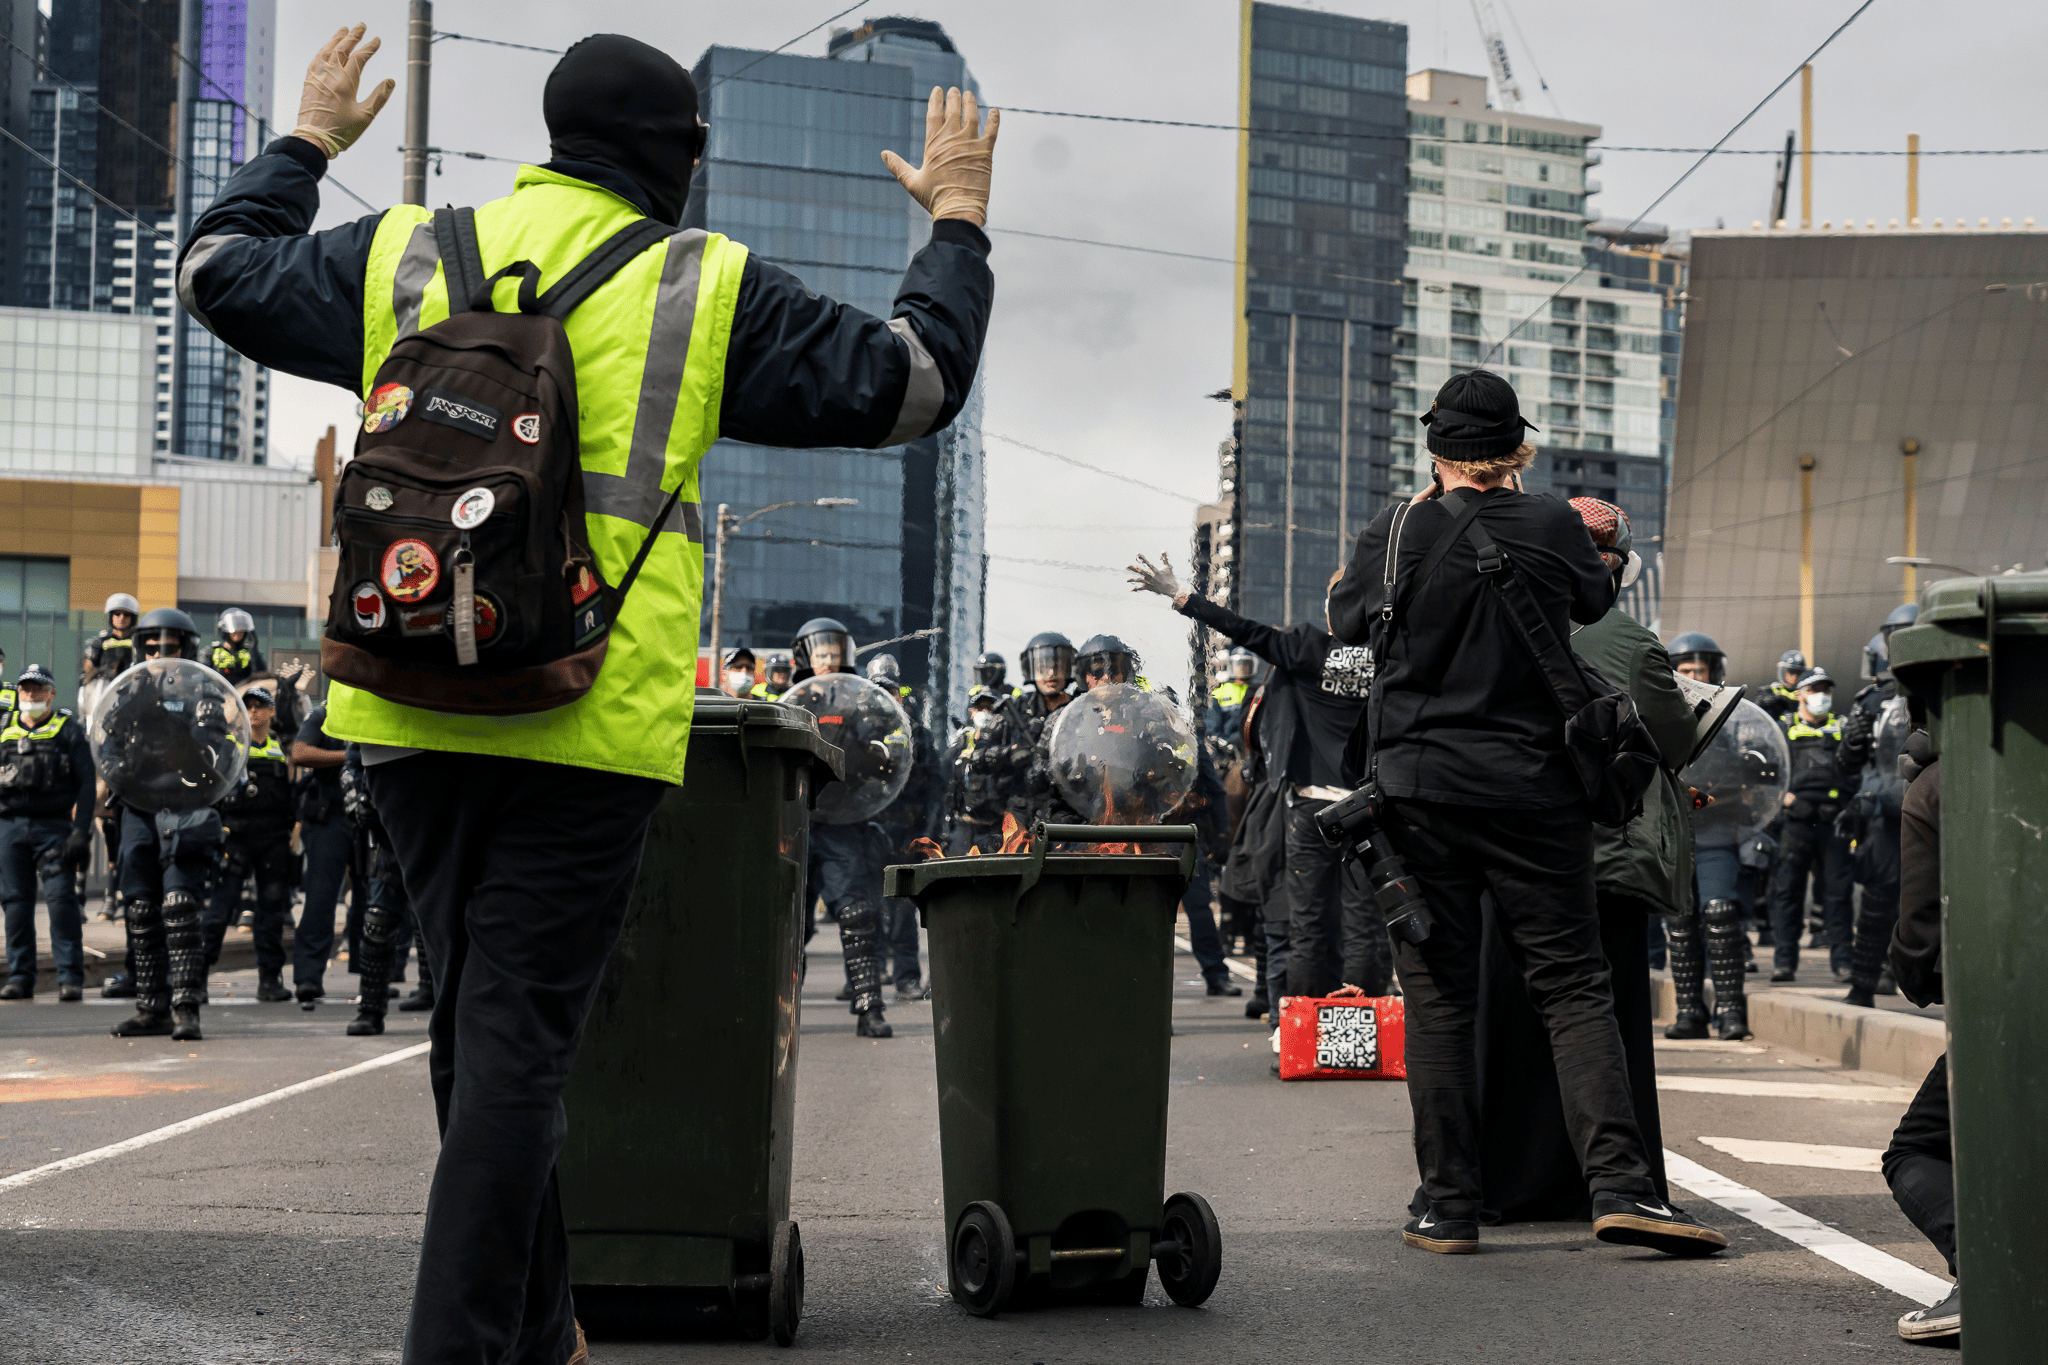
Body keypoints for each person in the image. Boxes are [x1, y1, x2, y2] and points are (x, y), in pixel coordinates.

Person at [178, 24, 993, 1355]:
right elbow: (912, 382)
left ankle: (546, 1323)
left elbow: (217, 271)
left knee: (481, 1040)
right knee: (511, 1051)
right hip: (585, 720)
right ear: (676, 159)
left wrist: (308, 144)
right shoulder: (701, 282)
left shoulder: (405, 251)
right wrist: (957, 222)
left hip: (403, 703)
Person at [1327, 369, 1725, 1258]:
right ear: (1515, 450)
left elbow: (1343, 620)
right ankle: (1622, 1187)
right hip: (1534, 793)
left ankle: (1448, 1205)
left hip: (1419, 793)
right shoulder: (1551, 523)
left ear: (1436, 451)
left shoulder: (1393, 531)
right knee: (1575, 988)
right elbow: (1593, 600)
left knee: (1437, 1000)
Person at [1466, 497, 1695, 1220]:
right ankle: (1614, 1181)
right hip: (1602, 860)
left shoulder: (1486, 616)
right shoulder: (1628, 640)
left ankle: (1491, 1182)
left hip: (1498, 849)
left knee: (1504, 1016)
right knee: (1603, 1017)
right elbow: (1678, 741)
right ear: (1615, 570)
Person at [1130, 553, 1387, 1007]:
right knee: (1365, 919)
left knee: (1306, 921)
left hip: (1313, 808)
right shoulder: (1388, 659)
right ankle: (1364, 1027)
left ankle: (1305, 1029)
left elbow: (1243, 629)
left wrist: (1181, 595)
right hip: (1369, 807)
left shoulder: (1307, 648)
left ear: (1335, 608)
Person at [109, 609, 225, 1041]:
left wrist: (177, 727)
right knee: (139, 909)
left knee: (178, 906)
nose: (159, 654)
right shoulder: (130, 691)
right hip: (139, 806)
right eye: (152, 646)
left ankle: (186, 1007)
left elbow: (212, 754)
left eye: (169, 647)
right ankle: (150, 1007)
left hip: (187, 806)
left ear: (186, 649)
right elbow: (109, 748)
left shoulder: (205, 692)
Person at [1880, 725, 1959, 1343]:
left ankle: (1987, 1275)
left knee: (1918, 1149)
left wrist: (1912, 974)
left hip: (2012, 1004)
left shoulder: (1935, 786)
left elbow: (1920, 925)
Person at [793, 617, 900, 1037]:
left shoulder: (860, 706)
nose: (829, 661)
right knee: (787, 921)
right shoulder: (786, 702)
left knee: (857, 913)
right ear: (806, 658)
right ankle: (775, 1008)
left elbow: (881, 758)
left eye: (835, 654)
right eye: (821, 655)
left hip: (842, 823)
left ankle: (869, 1008)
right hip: (794, 820)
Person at [1837, 603, 1917, 1009]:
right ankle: (1864, 982)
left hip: (1931, 810)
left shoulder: (1943, 691)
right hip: (1884, 814)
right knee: (1875, 903)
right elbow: (1847, 766)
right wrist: (1850, 744)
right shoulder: (1872, 700)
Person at [0, 665, 95, 1002]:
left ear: (51, 694)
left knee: (60, 902)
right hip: (10, 827)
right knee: (15, 905)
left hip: (54, 828)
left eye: (38, 690)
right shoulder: (4, 729)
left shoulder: (67, 730)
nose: (30, 695)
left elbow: (86, 785)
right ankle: (20, 977)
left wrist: (81, 832)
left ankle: (70, 978)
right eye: (26, 689)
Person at [202, 687, 297, 1002]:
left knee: (270, 910)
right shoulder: (231, 746)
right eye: (249, 707)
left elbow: (292, 793)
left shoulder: (280, 748)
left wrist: (294, 833)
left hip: (273, 837)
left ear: (271, 712)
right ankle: (196, 978)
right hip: (238, 835)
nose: (254, 712)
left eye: (261, 706)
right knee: (220, 906)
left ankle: (270, 980)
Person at [1766, 667, 1855, 982]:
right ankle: (1784, 963)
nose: (1822, 696)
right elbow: (1770, 775)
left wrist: (1845, 805)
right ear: (1800, 694)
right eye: (1815, 689)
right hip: (1796, 821)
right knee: (1787, 893)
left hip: (1832, 822)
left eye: (1827, 690)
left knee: (1838, 895)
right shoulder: (1784, 728)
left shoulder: (1842, 728)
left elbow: (1854, 772)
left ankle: (1844, 962)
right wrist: (1789, 801)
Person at [340, 743, 416, 1036]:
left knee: (437, 925)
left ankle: (443, 1003)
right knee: (377, 922)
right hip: (389, 831)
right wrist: (358, 802)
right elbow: (352, 763)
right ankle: (370, 1010)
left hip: (433, 826)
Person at [944, 686, 1012, 854]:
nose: (985, 712)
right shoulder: (961, 742)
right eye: (980, 708)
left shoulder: (1004, 742)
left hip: (993, 829)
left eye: (989, 708)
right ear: (971, 712)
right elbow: (944, 774)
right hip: (962, 826)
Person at [82, 592, 141, 685]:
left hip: (134, 689)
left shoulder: (139, 641)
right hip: (104, 690)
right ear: (111, 616)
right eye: (117, 614)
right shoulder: (99, 642)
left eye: (126, 614)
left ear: (133, 618)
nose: (121, 618)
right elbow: (87, 672)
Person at [1205, 648, 1257, 747]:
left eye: (1246, 665)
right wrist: (1219, 741)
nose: (1241, 669)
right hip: (1227, 744)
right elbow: (1213, 722)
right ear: (1232, 666)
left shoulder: (1258, 691)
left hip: (1251, 744)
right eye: (1238, 665)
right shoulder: (1220, 691)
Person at [210, 609, 267, 684]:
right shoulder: (211, 652)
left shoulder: (249, 653)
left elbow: (261, 674)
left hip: (242, 693)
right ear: (225, 630)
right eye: (235, 629)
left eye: (241, 630)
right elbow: (203, 676)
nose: (238, 632)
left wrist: (254, 650)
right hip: (218, 693)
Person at [1759, 649, 1806, 721]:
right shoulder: (1772, 691)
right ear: (1784, 671)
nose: (1795, 676)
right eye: (1791, 672)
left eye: (1798, 673)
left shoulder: (1806, 693)